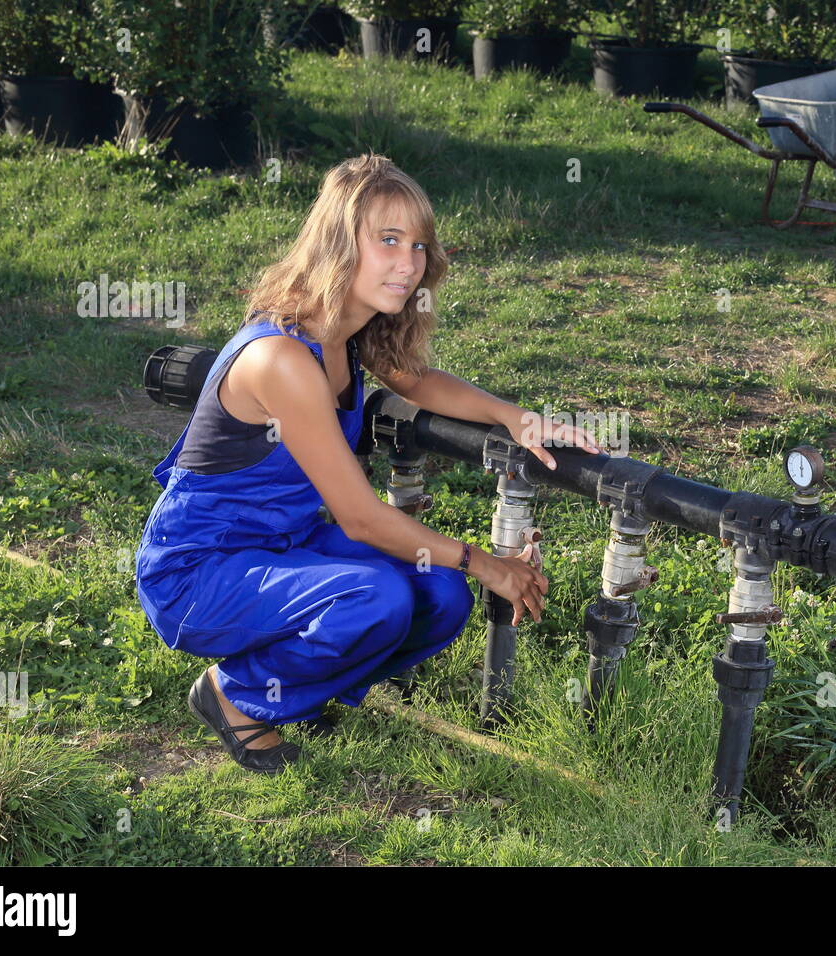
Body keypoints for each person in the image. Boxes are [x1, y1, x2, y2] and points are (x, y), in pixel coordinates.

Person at [135, 154, 603, 773]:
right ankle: (236, 696)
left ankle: (293, 689)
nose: (408, 265)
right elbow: (359, 517)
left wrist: (515, 417)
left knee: (440, 594)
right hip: (197, 573)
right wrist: (488, 563)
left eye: (417, 246)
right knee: (375, 598)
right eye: (387, 240)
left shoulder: (342, 335)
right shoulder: (282, 358)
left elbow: (421, 381)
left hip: (285, 545)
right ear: (338, 242)